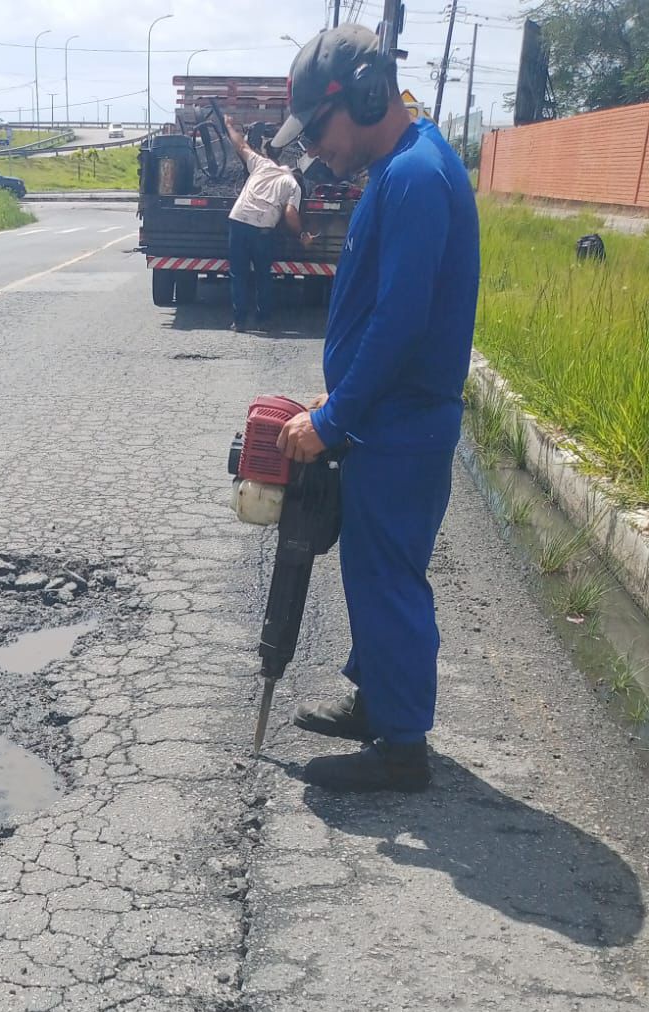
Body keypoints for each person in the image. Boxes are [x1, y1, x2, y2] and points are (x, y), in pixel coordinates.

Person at [270, 24, 480, 793]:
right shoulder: (398, 169)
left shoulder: (417, 176)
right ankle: (377, 700)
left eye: (317, 130)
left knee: (388, 575)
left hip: (402, 423)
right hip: (385, 416)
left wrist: (330, 420)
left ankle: (401, 750)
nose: (316, 148)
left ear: (361, 96)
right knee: (372, 563)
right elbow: (383, 319)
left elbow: (401, 321)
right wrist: (342, 398)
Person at [223, 116, 314, 330]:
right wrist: (302, 235)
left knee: (238, 273)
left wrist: (229, 125)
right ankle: (263, 319)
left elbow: (240, 144)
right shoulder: (293, 184)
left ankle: (240, 321)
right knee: (263, 274)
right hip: (262, 229)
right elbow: (291, 213)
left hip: (238, 220)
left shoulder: (262, 165)